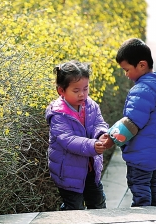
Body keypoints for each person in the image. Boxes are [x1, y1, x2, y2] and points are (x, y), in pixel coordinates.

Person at [105, 38, 156, 207]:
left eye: (127, 69)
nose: (126, 74)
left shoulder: (141, 91)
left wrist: (111, 138)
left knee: (139, 186)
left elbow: (131, 123)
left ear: (142, 65)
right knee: (153, 181)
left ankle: (143, 216)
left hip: (142, 153)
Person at [45, 60, 109, 210]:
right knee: (74, 209)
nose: (82, 94)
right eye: (76, 90)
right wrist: (92, 145)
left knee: (98, 204)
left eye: (85, 89)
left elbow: (99, 123)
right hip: (69, 173)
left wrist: (102, 134)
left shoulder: (91, 105)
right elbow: (68, 140)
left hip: (91, 170)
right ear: (61, 91)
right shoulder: (58, 114)